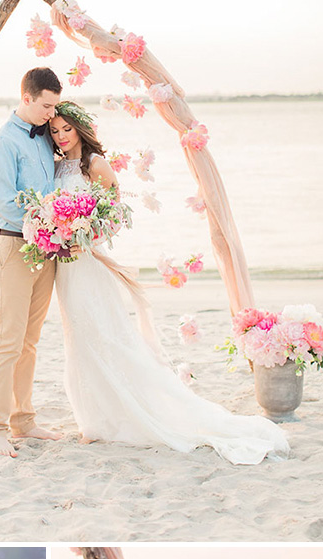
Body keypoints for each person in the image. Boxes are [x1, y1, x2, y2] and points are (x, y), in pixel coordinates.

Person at [49, 101, 290, 465]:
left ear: (79, 129)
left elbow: (114, 218)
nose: (61, 137)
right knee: (78, 338)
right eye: (54, 131)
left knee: (103, 334)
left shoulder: (95, 165)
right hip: (65, 266)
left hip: (88, 262)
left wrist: (85, 233)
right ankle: (94, 420)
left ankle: (118, 416)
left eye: (66, 129)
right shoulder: (56, 166)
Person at [0, 67, 63, 458]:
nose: (51, 113)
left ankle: (24, 420)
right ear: (27, 97)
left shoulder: (47, 137)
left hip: (47, 251)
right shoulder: (2, 142)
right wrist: (53, 221)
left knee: (30, 343)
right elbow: (7, 203)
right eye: (46, 105)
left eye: (55, 106)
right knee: (7, 342)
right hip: (13, 248)